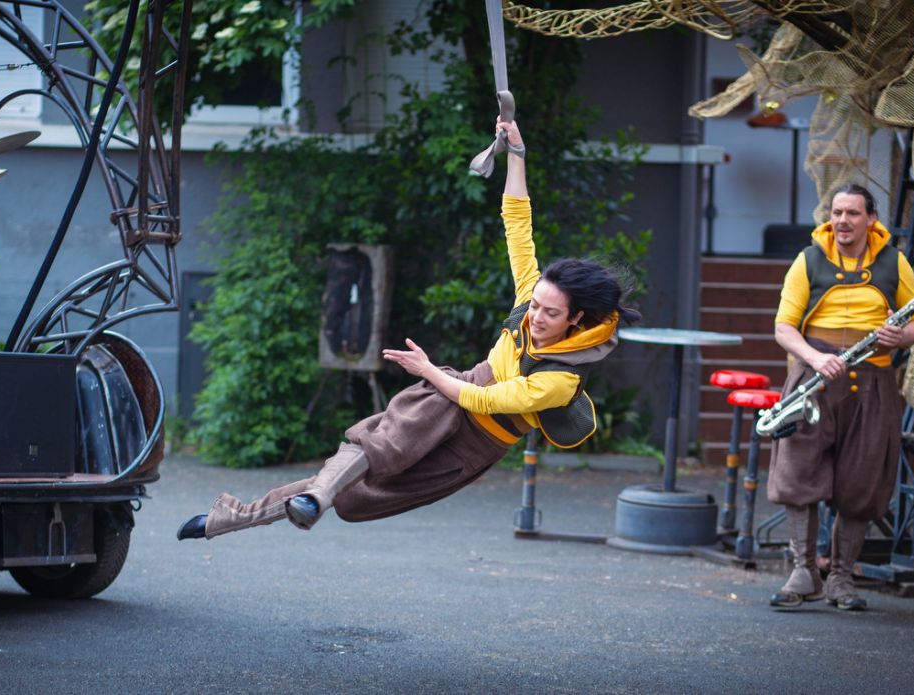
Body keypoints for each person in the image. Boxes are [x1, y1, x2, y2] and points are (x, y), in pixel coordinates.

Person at [177, 117, 639, 541]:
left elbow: (488, 402)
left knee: (358, 498)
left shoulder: (560, 380)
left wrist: (426, 369)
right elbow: (518, 224)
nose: (536, 316)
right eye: (535, 304)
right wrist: (515, 153)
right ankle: (249, 514)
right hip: (449, 394)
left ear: (576, 318)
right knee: (370, 447)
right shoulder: (527, 301)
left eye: (550, 313)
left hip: (476, 441)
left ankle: (304, 500)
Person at [766, 184, 914, 611]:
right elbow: (784, 327)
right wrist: (815, 358)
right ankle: (803, 572)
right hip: (813, 379)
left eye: (853, 213)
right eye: (837, 212)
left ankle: (840, 578)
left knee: (862, 479)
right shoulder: (809, 259)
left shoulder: (895, 263)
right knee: (797, 471)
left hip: (873, 382)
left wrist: (900, 335)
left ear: (871, 219)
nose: (842, 221)